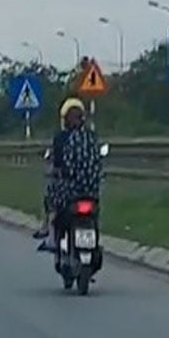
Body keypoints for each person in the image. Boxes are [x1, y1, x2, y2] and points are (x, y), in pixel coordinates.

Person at [35, 97, 101, 251]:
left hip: (70, 189)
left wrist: (57, 172)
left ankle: (50, 234)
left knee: (52, 198)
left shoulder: (62, 138)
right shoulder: (91, 136)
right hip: (91, 189)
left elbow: (58, 164)